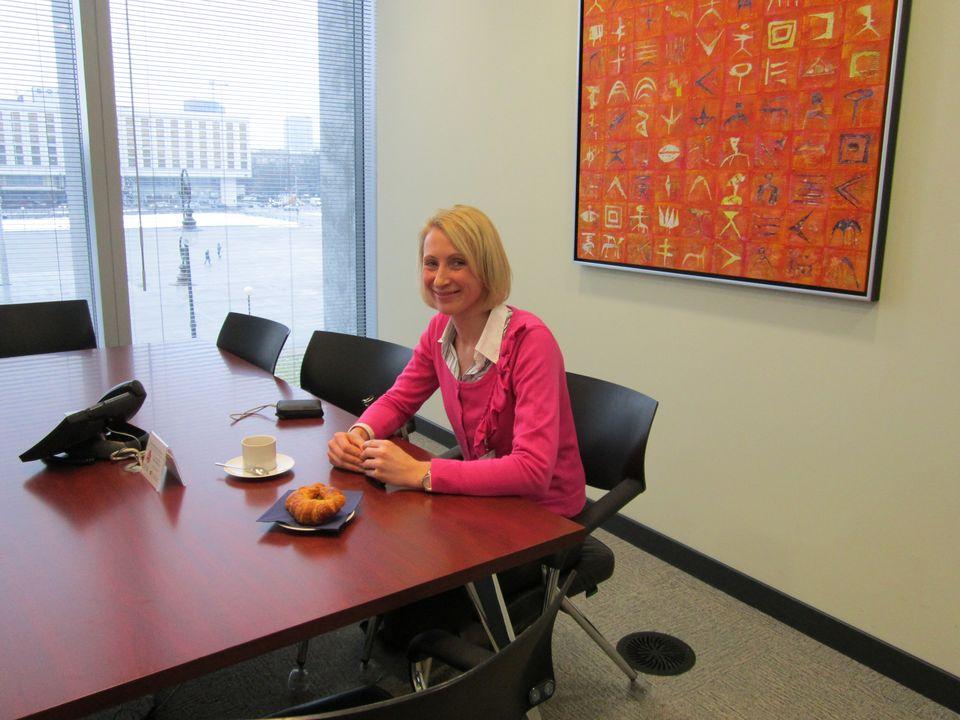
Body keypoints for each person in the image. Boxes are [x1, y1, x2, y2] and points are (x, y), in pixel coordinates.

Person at [327, 204, 586, 641]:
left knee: (405, 599)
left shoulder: (531, 343)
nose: (440, 278)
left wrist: (421, 472)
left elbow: (532, 470)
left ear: (486, 267)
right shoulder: (440, 330)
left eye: (458, 262)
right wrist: (358, 434)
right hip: (482, 492)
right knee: (380, 559)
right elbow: (400, 398)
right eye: (431, 263)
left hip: (541, 513)